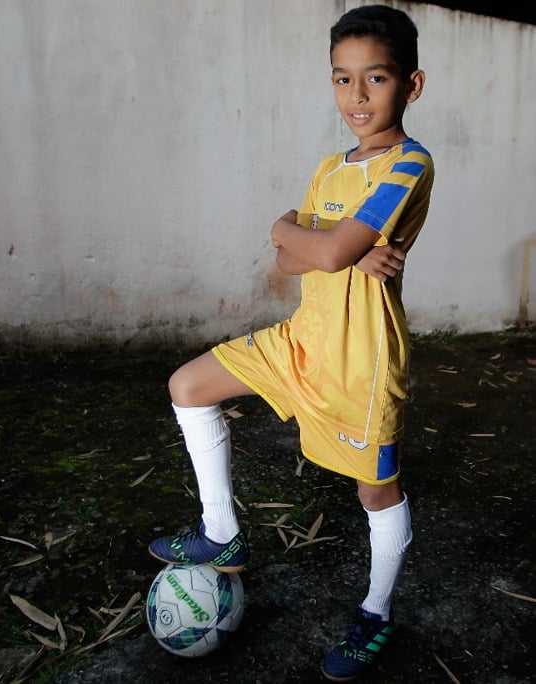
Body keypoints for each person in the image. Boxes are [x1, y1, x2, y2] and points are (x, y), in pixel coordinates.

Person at [147, 5, 432, 681]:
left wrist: (301, 234)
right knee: (187, 386)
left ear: (410, 86)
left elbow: (318, 247)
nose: (356, 98)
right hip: (299, 339)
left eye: (376, 79)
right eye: (341, 80)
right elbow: (292, 262)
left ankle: (375, 613)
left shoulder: (409, 164)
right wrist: (323, 245)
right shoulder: (332, 169)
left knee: (376, 495)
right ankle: (221, 533)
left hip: (358, 364)